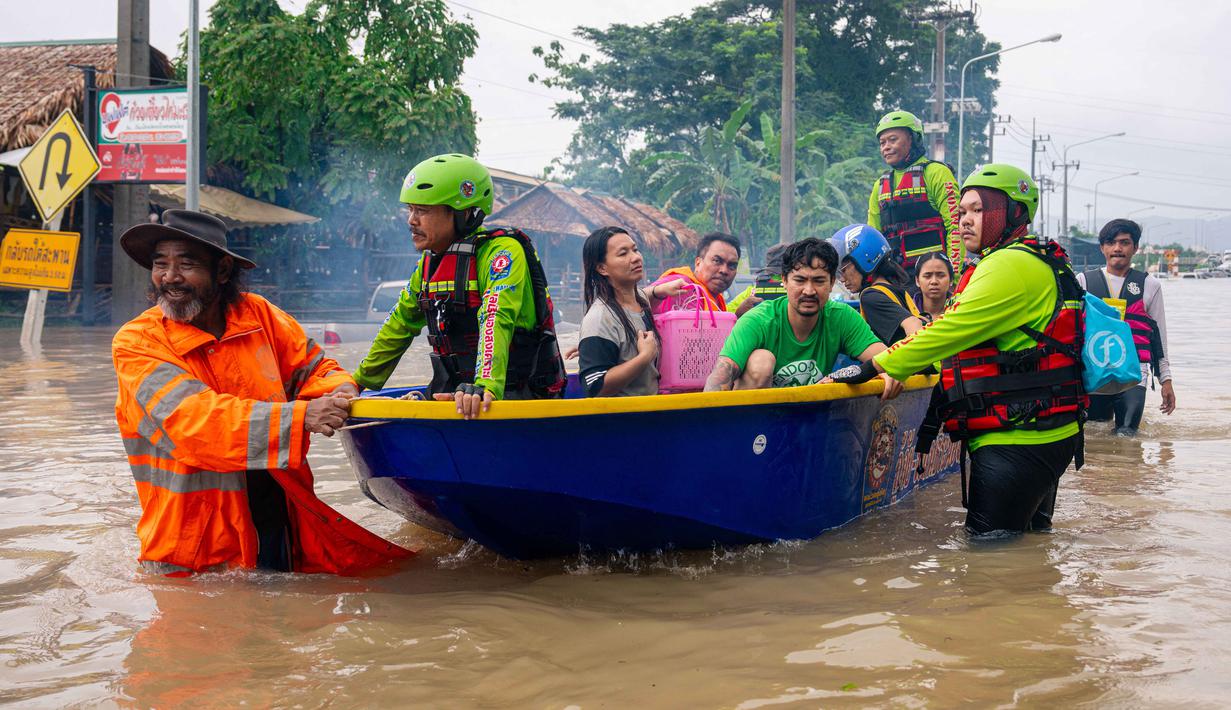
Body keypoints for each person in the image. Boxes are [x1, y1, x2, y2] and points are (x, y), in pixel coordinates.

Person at [111, 209, 412, 576]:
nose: (169, 277)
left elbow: (314, 368)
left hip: (277, 521)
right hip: (192, 546)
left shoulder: (260, 316)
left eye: (186, 264)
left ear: (222, 271)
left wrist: (341, 391)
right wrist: (304, 416)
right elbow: (195, 421)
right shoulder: (136, 342)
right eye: (161, 264)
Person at [832, 164, 1085, 536]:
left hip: (1017, 438)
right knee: (1028, 551)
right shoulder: (1028, 259)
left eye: (978, 211)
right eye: (962, 211)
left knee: (986, 563)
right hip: (1041, 427)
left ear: (1011, 212)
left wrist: (877, 366)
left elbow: (948, 332)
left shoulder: (1009, 265)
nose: (964, 220)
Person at [354, 154, 566, 419]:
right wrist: (356, 383)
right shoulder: (429, 262)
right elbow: (399, 324)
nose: (411, 220)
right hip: (458, 393)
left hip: (514, 395)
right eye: (410, 209)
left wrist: (485, 385)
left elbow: (496, 316)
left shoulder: (502, 251)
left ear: (463, 213)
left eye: (423, 210)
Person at [703, 237, 899, 397]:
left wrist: (887, 372)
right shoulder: (758, 320)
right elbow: (720, 375)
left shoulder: (841, 317)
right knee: (761, 360)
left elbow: (885, 358)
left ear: (831, 284)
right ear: (785, 282)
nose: (809, 290)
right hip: (758, 428)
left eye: (819, 281)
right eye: (800, 280)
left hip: (812, 423)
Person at [1078, 218, 1176, 434]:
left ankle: (1130, 468)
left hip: (1134, 374)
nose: (1117, 248)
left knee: (1127, 433)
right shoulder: (1083, 282)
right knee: (1094, 432)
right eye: (1111, 243)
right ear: (1102, 247)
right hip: (1094, 372)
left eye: (1124, 242)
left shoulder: (1149, 285)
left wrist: (1165, 380)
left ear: (1135, 248)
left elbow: (1159, 336)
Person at [578, 227, 685, 397]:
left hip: (652, 412)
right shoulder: (599, 319)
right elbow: (595, 386)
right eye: (623, 254)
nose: (635, 258)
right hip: (624, 418)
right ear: (602, 268)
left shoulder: (639, 300)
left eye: (635, 250)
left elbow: (644, 295)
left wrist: (660, 290)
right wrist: (644, 357)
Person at [867, 110, 964, 279]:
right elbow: (873, 237)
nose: (886, 147)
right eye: (882, 143)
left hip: (933, 280)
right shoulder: (879, 186)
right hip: (896, 279)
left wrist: (953, 278)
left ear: (913, 139)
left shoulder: (936, 173)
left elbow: (955, 227)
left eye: (893, 140)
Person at [829, 223, 925, 345]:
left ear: (865, 259)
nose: (842, 279)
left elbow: (913, 324)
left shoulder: (870, 296)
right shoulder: (895, 288)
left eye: (843, 270)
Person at [657, 232, 747, 314]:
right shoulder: (679, 284)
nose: (724, 270)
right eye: (717, 261)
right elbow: (643, 301)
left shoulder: (718, 300)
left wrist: (738, 317)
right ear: (698, 262)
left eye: (732, 266)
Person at [726, 242, 790, 313]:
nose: (778, 279)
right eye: (775, 275)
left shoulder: (754, 290)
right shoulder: (753, 292)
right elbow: (726, 313)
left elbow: (726, 312)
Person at [912, 251, 954, 322]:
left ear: (951, 280)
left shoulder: (961, 310)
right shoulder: (906, 313)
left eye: (941, 275)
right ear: (917, 281)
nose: (934, 281)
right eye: (927, 276)